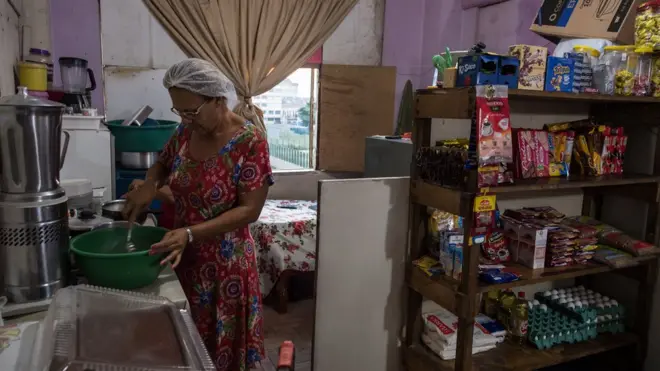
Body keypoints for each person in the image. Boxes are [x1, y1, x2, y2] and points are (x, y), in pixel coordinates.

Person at [122, 58, 272, 371]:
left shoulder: (250, 142)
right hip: (184, 258)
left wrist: (191, 233)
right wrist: (151, 185)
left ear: (218, 99)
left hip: (226, 268)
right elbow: (162, 164)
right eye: (180, 112)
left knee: (221, 354)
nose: (186, 119)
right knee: (187, 349)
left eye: (191, 111)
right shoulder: (185, 132)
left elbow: (250, 210)